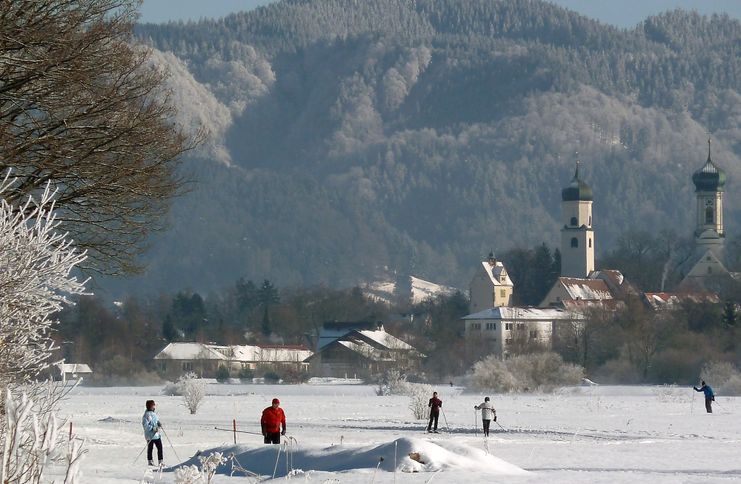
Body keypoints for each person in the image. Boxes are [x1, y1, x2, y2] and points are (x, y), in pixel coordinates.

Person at [141, 399, 163, 466]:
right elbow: (145, 426)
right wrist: (153, 428)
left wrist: (158, 423)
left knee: (160, 447)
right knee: (150, 448)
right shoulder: (146, 415)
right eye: (153, 405)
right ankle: (150, 461)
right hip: (150, 435)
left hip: (156, 435)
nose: (154, 406)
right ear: (150, 406)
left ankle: (160, 461)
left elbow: (156, 421)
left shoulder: (154, 414)